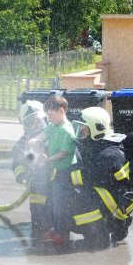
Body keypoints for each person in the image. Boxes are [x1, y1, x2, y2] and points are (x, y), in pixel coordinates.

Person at [69, 107, 133, 249]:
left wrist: (63, 175)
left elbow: (87, 177)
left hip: (115, 200)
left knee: (77, 196)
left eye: (84, 130)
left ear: (97, 130)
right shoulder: (99, 146)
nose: (80, 133)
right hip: (113, 197)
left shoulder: (108, 155)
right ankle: (114, 225)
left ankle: (97, 240)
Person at [31, 95, 77, 246]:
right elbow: (45, 133)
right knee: (53, 202)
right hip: (57, 171)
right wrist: (36, 140)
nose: (49, 118)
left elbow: (64, 153)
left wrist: (47, 159)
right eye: (48, 115)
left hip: (66, 172)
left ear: (61, 111)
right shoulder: (54, 125)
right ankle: (56, 229)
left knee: (60, 204)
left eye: (51, 114)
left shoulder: (67, 130)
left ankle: (61, 233)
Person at [11, 100, 53, 248]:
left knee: (57, 210)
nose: (37, 125)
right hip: (36, 184)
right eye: (32, 122)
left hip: (54, 181)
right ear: (25, 124)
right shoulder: (21, 144)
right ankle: (39, 235)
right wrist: (23, 176)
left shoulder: (52, 136)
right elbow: (17, 165)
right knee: (38, 218)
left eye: (39, 120)